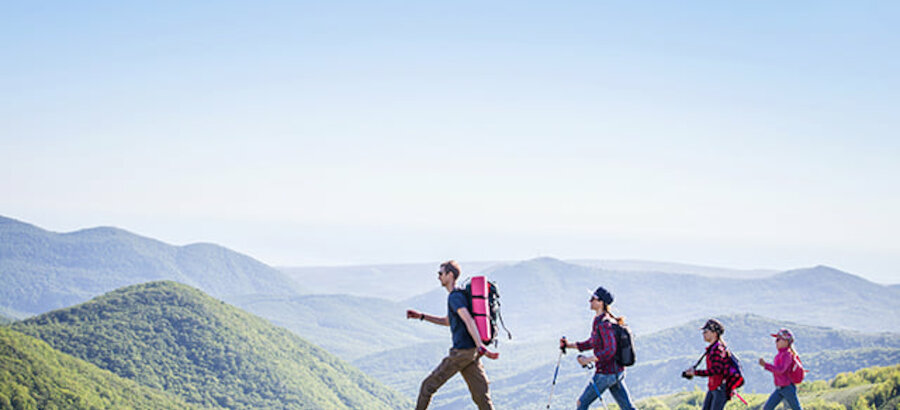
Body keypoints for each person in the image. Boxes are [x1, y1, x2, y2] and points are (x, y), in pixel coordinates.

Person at [406, 260, 498, 410]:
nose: (438, 277)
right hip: (471, 354)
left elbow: (468, 320)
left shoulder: (455, 297)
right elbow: (448, 321)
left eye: (441, 273)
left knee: (427, 387)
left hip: (462, 352)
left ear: (450, 275)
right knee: (481, 397)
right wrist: (421, 316)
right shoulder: (459, 295)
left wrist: (481, 346)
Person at [560, 286, 636, 410]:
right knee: (627, 407)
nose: (590, 301)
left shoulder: (604, 324)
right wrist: (569, 346)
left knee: (581, 403)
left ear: (601, 303)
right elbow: (593, 342)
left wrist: (588, 359)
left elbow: (610, 350)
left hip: (606, 374)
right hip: (617, 372)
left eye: (593, 298)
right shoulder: (601, 320)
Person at [683, 319, 733, 410]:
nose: (703, 334)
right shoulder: (712, 348)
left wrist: (695, 373)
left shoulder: (718, 349)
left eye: (706, 331)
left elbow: (716, 370)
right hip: (714, 388)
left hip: (720, 389)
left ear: (714, 333)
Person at [759, 328, 803, 410]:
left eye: (778, 339)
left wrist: (765, 365)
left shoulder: (787, 355)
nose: (776, 342)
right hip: (780, 388)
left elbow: (780, 370)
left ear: (786, 342)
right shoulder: (780, 354)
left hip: (787, 388)